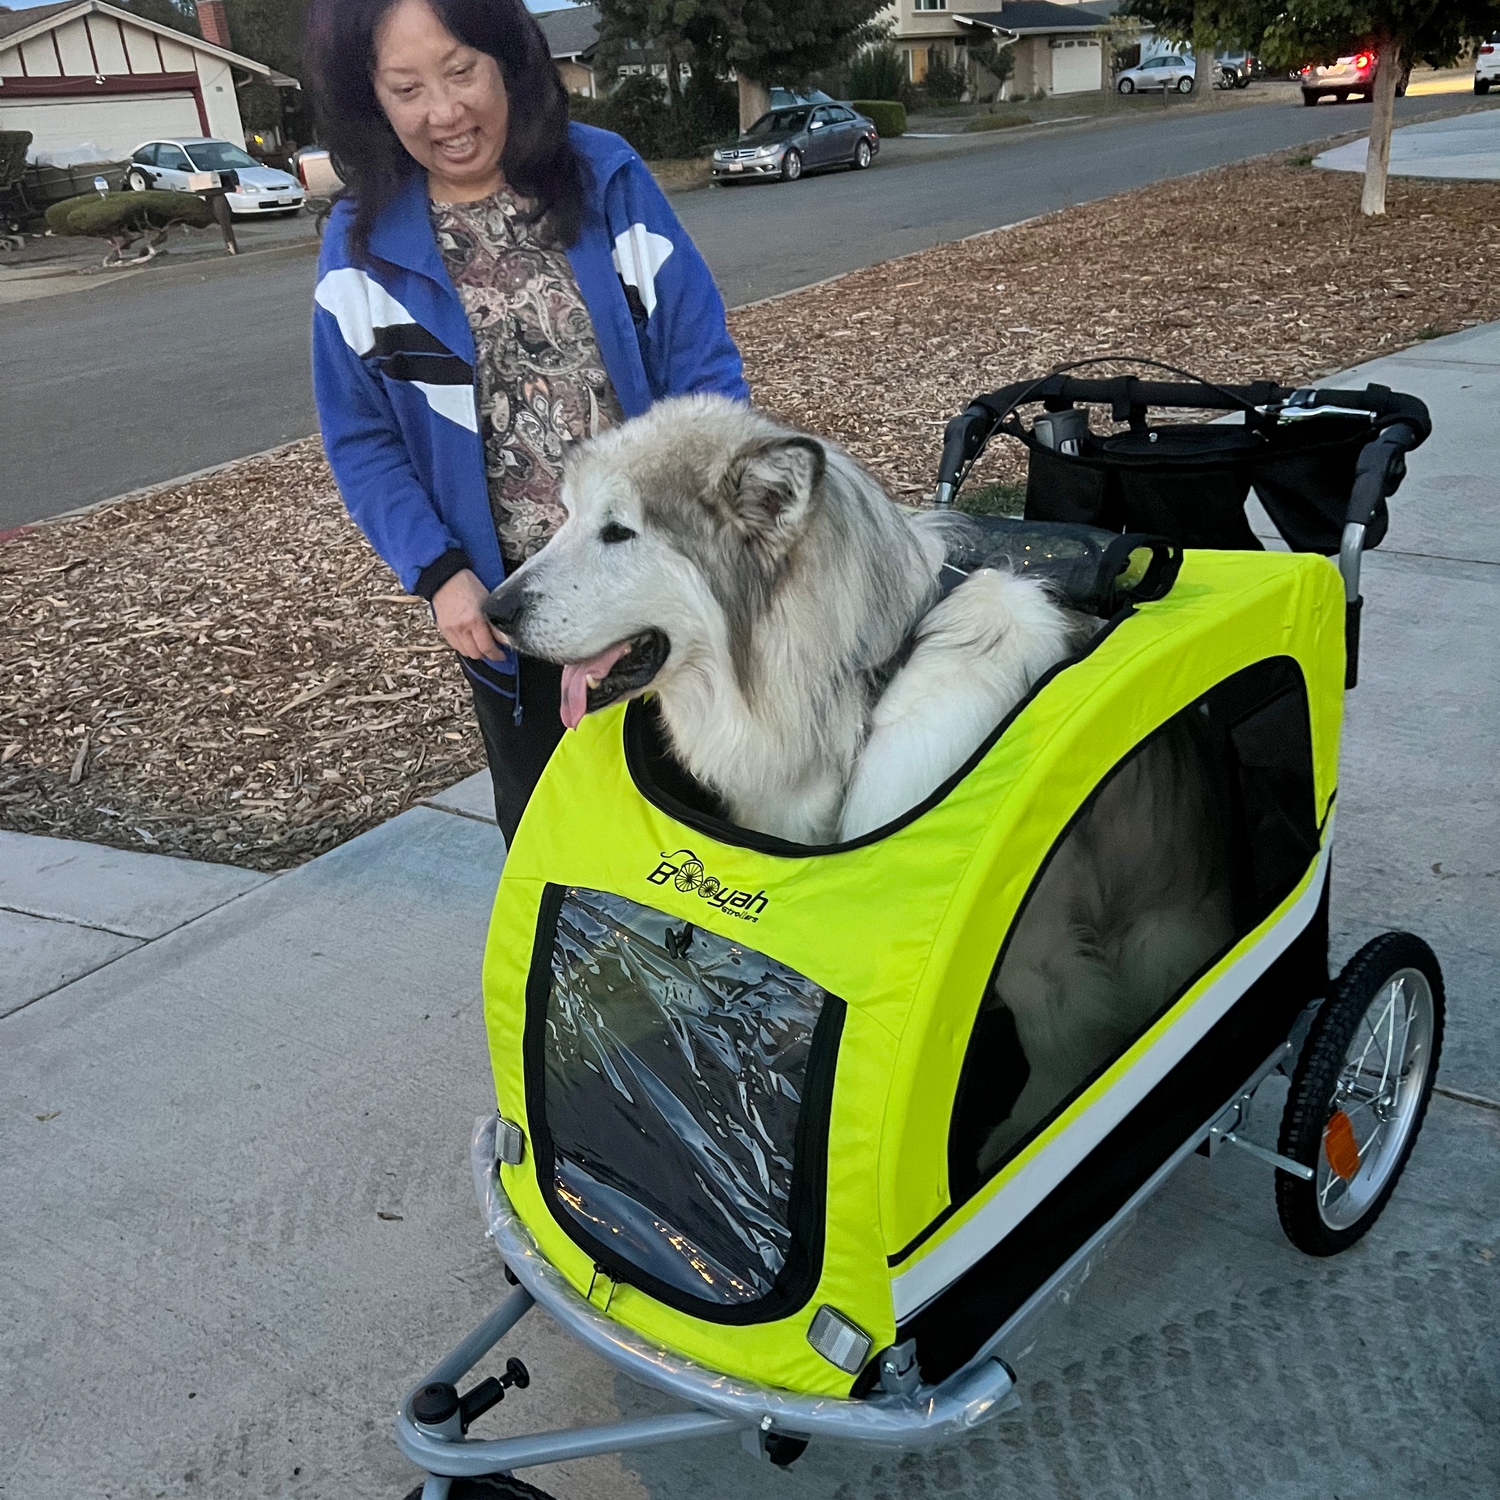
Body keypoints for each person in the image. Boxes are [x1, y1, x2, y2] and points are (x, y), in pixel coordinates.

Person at [307, 0, 747, 845]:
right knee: (558, 842)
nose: (444, 111)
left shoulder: (605, 177)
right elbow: (361, 437)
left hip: (659, 582)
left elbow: (702, 366)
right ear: (373, 101)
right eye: (407, 88)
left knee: (710, 823)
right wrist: (439, 575)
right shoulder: (360, 248)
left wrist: (711, 531)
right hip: (511, 603)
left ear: (512, 60)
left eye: (463, 70)